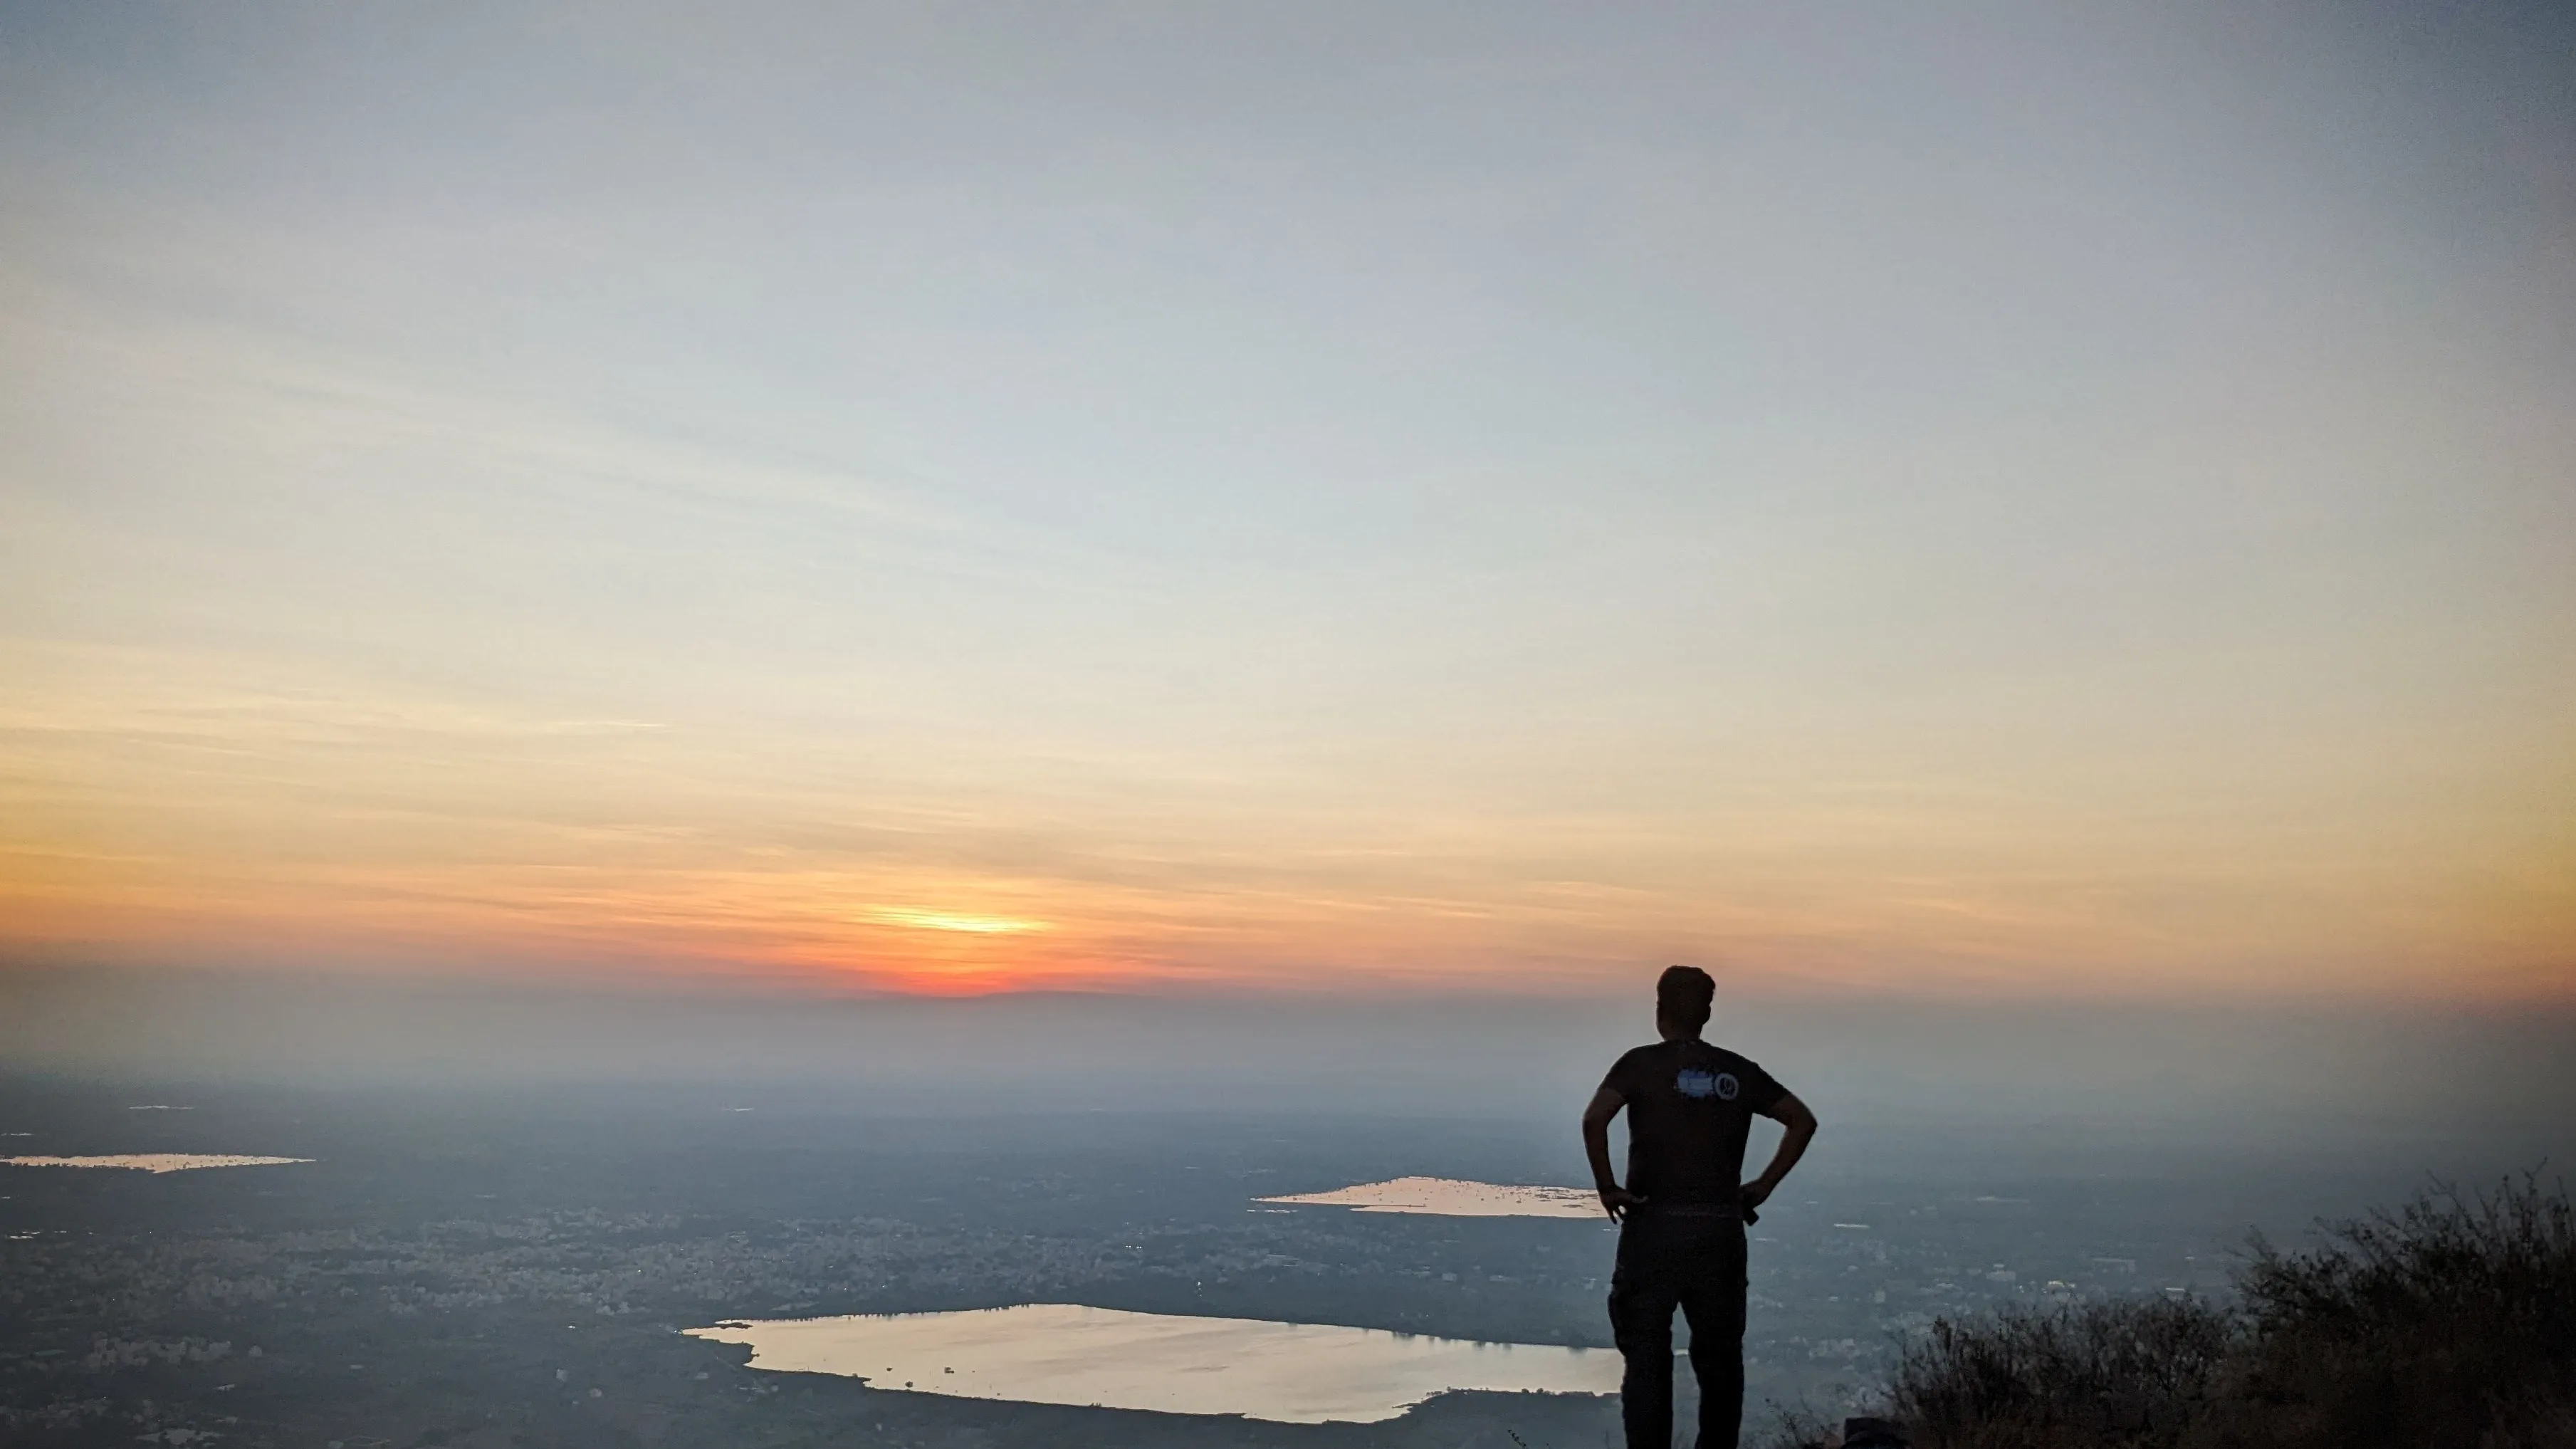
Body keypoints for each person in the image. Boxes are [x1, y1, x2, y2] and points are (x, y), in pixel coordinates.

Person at [1583, 965, 1818, 1449]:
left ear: (1659, 1009)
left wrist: (1608, 1187)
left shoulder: (1638, 1065)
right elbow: (1801, 1119)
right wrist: (1763, 1185)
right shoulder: (1736, 1069)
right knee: (1720, 1362)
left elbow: (1595, 1118)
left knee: (1648, 1360)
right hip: (1719, 1232)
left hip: (1653, 1228)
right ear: (1707, 1012)